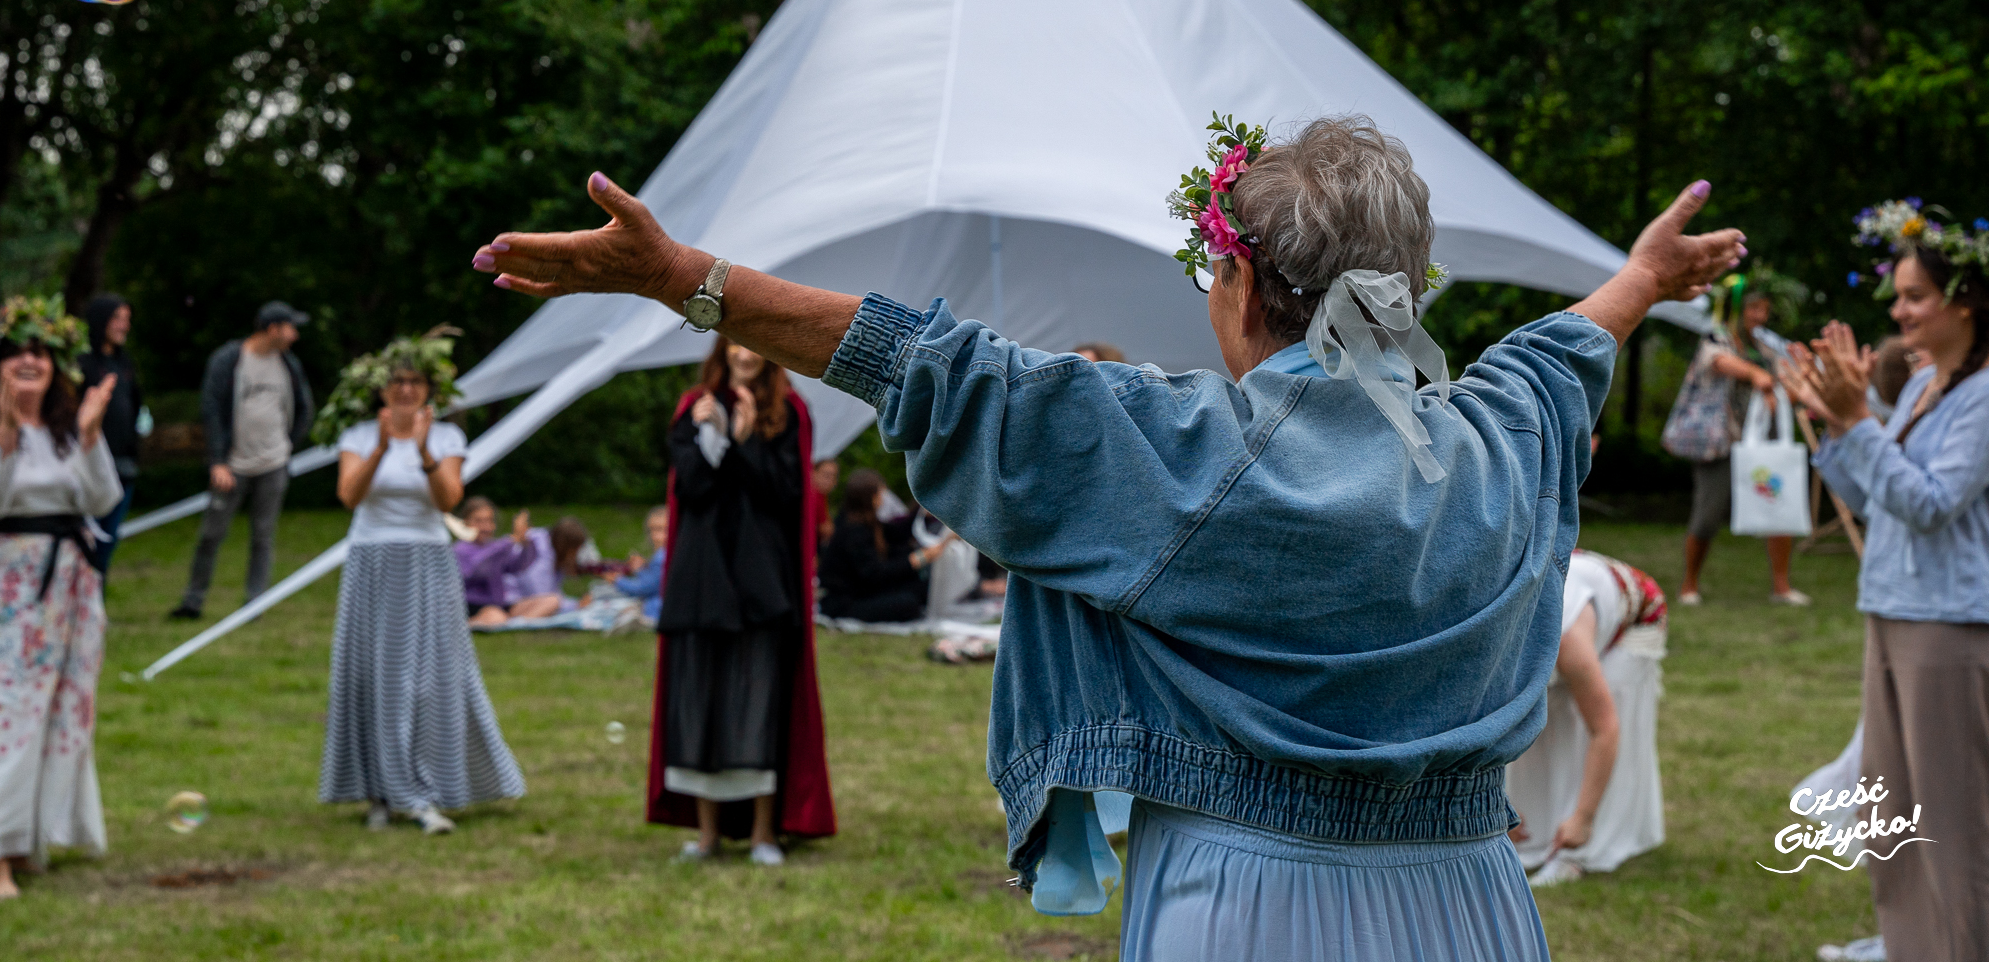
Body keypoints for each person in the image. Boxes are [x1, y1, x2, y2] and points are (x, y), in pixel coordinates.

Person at [473, 118, 1740, 958]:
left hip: (1252, 908)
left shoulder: (1174, 448)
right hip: (1473, 903)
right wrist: (1639, 276)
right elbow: (1566, 349)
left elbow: (933, 366)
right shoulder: (1501, 438)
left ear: (1242, 287)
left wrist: (688, 279)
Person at [1782, 201, 1989, 962]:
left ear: (1964, 301)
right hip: (1893, 608)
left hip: (1952, 622)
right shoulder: (1925, 386)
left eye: (1913, 297)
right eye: (1896, 295)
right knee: (1891, 809)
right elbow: (1874, 496)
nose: (1898, 310)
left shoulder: (1983, 395)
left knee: (1953, 815)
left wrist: (1858, 424)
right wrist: (1840, 422)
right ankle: (1912, 947)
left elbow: (1931, 504)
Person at [0, 297, 121, 898]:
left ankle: (22, 840)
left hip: (67, 588)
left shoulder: (70, 431)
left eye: (39, 350)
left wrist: (93, 437)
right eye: (16, 350)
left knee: (55, 712)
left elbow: (101, 502)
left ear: (56, 364)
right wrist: (5, 433)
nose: (28, 358)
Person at [318, 331, 524, 834]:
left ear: (428, 389)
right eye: (397, 382)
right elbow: (349, 495)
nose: (406, 390)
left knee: (430, 680)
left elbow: (447, 500)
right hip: (371, 560)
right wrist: (384, 446)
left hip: (428, 561)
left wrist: (426, 449)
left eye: (415, 381)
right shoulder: (360, 436)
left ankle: (429, 787)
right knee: (373, 677)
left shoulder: (448, 438)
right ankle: (380, 792)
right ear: (381, 390)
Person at [652, 337, 835, 865]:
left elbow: (786, 496)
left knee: (758, 698)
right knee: (696, 698)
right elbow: (689, 489)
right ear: (723, 349)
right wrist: (713, 438)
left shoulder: (789, 410)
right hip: (701, 575)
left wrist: (747, 439)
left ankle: (762, 833)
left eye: (753, 342)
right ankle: (707, 834)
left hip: (760, 578)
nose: (744, 352)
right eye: (735, 341)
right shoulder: (694, 406)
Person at [1504, 548, 1668, 885]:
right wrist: (1498, 804)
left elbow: (1605, 730)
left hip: (1635, 614)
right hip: (1574, 591)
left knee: (1590, 718)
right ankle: (1537, 835)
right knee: (1539, 725)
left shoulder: (1568, 643)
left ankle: (1581, 848)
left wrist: (1584, 817)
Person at [1665, 270, 1809, 606]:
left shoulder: (1765, 346)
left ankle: (1781, 586)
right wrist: (1756, 374)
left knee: (1777, 506)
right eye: (1753, 308)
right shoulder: (1716, 338)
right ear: (1737, 308)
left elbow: (1784, 381)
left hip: (1761, 443)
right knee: (1707, 514)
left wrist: (1796, 376)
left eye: (1764, 309)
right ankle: (1689, 584)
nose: (1759, 316)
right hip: (1720, 441)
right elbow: (1720, 362)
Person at [171, 301, 314, 619]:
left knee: (263, 535)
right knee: (211, 535)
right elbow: (211, 409)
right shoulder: (230, 360)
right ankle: (193, 601)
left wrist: (287, 446)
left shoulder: (288, 364)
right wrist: (217, 461)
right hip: (232, 466)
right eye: (290, 328)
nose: (294, 336)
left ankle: (255, 603)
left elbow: (304, 407)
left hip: (274, 464)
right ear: (273, 328)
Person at [818, 469, 948, 622]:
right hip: (847, 600)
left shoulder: (868, 523)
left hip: (866, 590)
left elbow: (897, 533)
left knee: (921, 588)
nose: (884, 497)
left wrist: (921, 510)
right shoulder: (852, 531)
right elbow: (874, 574)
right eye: (881, 493)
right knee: (908, 603)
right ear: (872, 497)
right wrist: (917, 559)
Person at [78, 293, 145, 572]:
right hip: (90, 466)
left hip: (123, 467)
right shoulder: (82, 364)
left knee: (106, 546)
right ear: (100, 320)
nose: (124, 325)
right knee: (86, 544)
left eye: (127, 319)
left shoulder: (124, 364)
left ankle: (95, 609)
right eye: (118, 318)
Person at [453, 497, 536, 627]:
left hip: (499, 605)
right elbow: (478, 568)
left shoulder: (494, 546)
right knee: (497, 617)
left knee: (552, 600)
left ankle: (513, 623)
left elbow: (518, 566)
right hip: (473, 606)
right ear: (466, 523)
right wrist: (509, 541)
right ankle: (463, 625)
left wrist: (526, 543)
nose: (485, 527)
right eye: (479, 521)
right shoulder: (460, 549)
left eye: (488, 520)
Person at [613, 507, 669, 623]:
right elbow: (655, 582)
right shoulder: (670, 552)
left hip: (658, 611)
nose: (654, 536)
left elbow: (643, 589)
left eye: (661, 530)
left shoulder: (662, 556)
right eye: (651, 530)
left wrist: (616, 579)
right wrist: (641, 569)